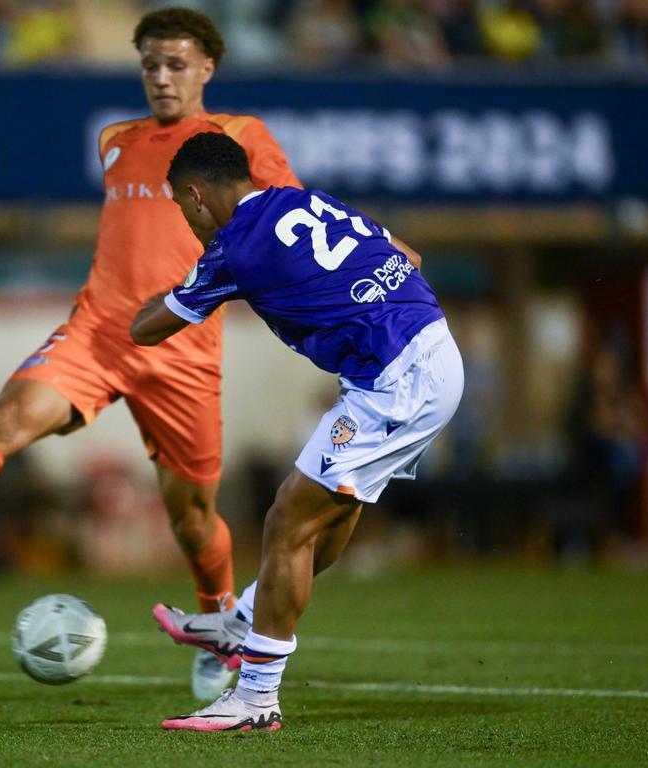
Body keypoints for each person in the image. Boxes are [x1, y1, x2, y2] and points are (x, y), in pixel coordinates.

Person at [0, 7, 300, 699]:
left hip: (183, 349)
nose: (161, 77)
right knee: (8, 419)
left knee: (193, 519)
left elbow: (284, 218)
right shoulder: (116, 140)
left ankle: (216, 625)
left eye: (176, 64)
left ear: (208, 68)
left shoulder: (240, 137)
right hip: (100, 333)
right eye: (150, 64)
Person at [131, 132, 463, 731]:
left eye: (184, 211)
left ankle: (256, 698)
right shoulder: (306, 201)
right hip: (426, 350)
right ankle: (243, 622)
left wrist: (128, 302)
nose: (190, 222)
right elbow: (408, 256)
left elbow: (148, 328)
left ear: (195, 195)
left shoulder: (233, 248)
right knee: (327, 516)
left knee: (287, 519)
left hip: (396, 376)